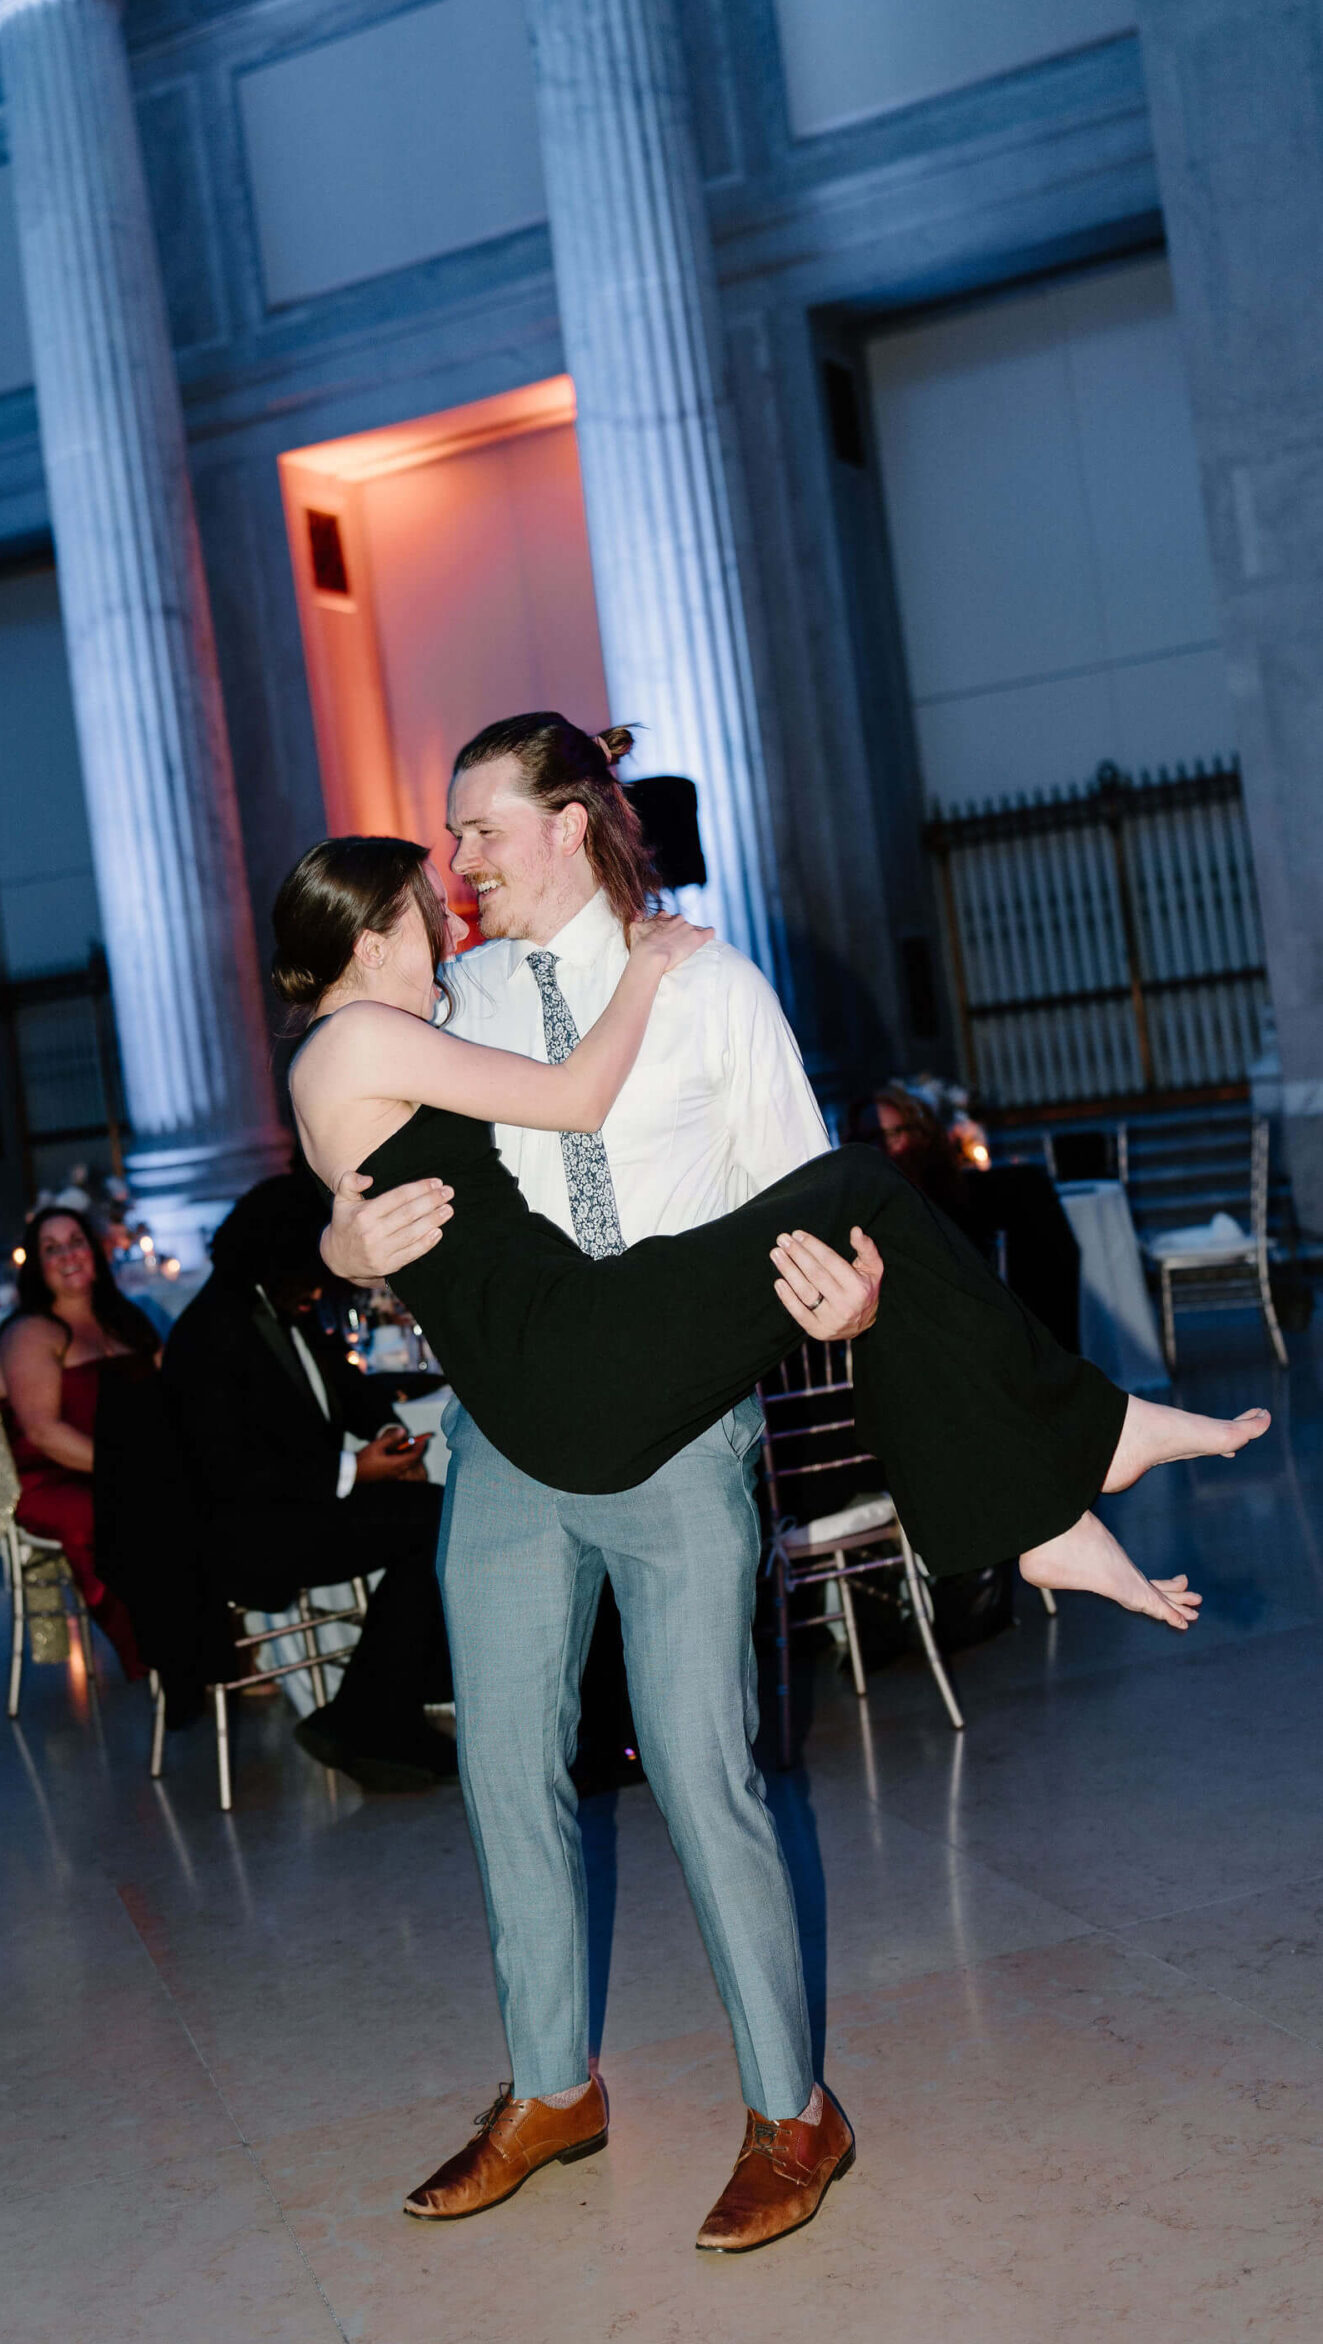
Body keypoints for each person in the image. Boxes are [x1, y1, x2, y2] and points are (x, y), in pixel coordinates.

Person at [287, 796, 1264, 2251]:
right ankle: (550, 2090)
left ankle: (788, 2110)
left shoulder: (715, 981)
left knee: (700, 1774)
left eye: (479, 828)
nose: (463, 870)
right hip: (507, 1429)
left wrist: (858, 1298)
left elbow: (795, 1192)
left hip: (668, 1408)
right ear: (384, 930)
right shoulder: (456, 995)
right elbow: (380, 1170)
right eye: (440, 860)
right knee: (502, 1773)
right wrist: (337, 1247)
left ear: (566, 824)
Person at [159, 1172, 455, 1790]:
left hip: (296, 1508)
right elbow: (231, 1472)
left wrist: (391, 1438)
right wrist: (356, 1469)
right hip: (246, 1532)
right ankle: (376, 1711)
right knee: (433, 1523)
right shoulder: (211, 1332)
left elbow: (349, 1390)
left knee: (435, 1517)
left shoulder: (274, 1307)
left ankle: (381, 1704)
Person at [0, 1205, 159, 1682]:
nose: (67, 1254)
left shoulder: (125, 1318)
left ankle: (206, 1628)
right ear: (36, 1265)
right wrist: (135, 1470)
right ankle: (155, 1651)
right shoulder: (30, 1331)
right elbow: (44, 1433)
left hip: (130, 1465)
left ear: (95, 1251)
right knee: (126, 1512)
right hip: (51, 1476)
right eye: (51, 1247)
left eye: (76, 1241)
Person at [846, 1082, 1081, 1348]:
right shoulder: (857, 1211)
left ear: (920, 1136)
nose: (883, 1147)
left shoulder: (950, 1200)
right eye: (871, 1138)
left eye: (894, 1134)